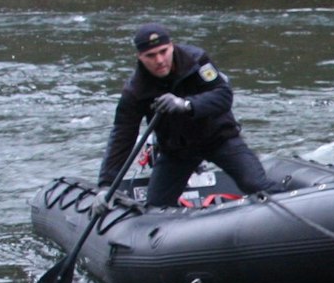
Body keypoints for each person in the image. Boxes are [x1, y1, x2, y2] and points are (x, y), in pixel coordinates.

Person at [100, 23, 275, 208]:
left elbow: (223, 95)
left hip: (219, 139)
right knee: (156, 207)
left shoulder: (197, 61)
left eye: (163, 51)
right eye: (150, 55)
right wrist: (106, 184)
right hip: (177, 150)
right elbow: (123, 135)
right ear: (140, 57)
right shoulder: (136, 90)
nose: (159, 60)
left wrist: (186, 105)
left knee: (256, 186)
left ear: (172, 46)